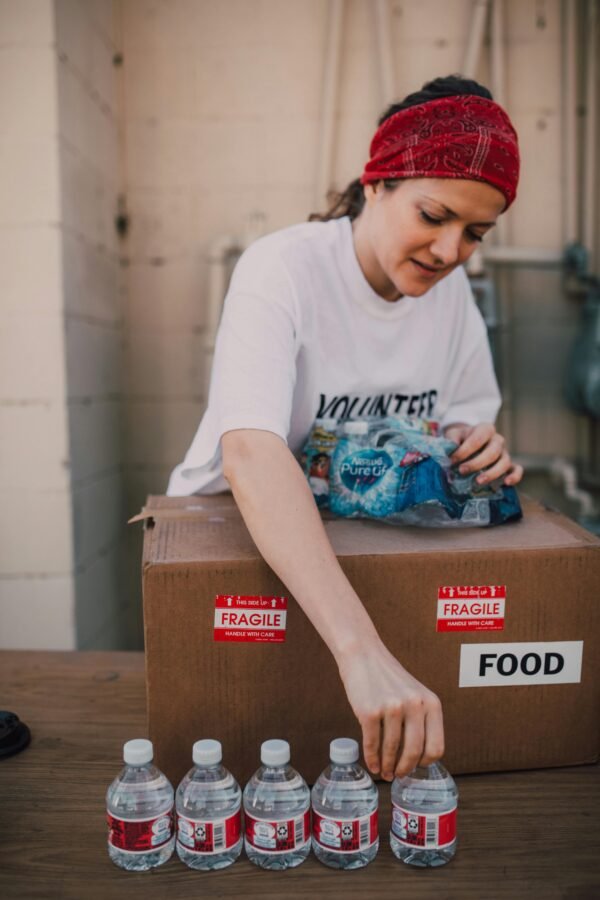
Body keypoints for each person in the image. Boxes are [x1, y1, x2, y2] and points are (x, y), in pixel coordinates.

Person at [168, 75, 523, 783]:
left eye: (475, 234)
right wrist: (363, 653)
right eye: (434, 215)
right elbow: (250, 450)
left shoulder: (450, 299)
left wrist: (476, 442)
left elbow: (464, 416)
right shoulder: (284, 267)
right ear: (378, 181)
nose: (451, 251)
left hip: (360, 547)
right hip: (241, 550)